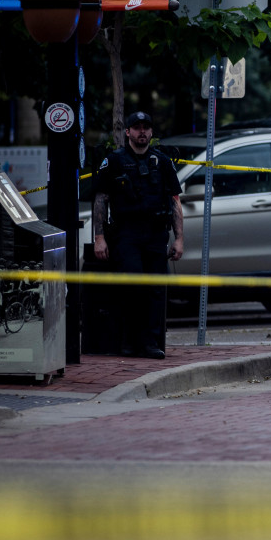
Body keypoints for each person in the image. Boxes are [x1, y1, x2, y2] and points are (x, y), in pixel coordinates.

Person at [92, 111, 184, 359]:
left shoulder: (162, 162)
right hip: (126, 234)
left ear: (151, 132)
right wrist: (98, 238)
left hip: (155, 234)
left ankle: (150, 343)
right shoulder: (114, 161)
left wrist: (179, 238)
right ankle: (128, 341)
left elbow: (175, 201)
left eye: (146, 127)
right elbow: (101, 200)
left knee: (155, 290)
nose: (142, 131)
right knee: (132, 286)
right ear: (128, 132)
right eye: (137, 127)